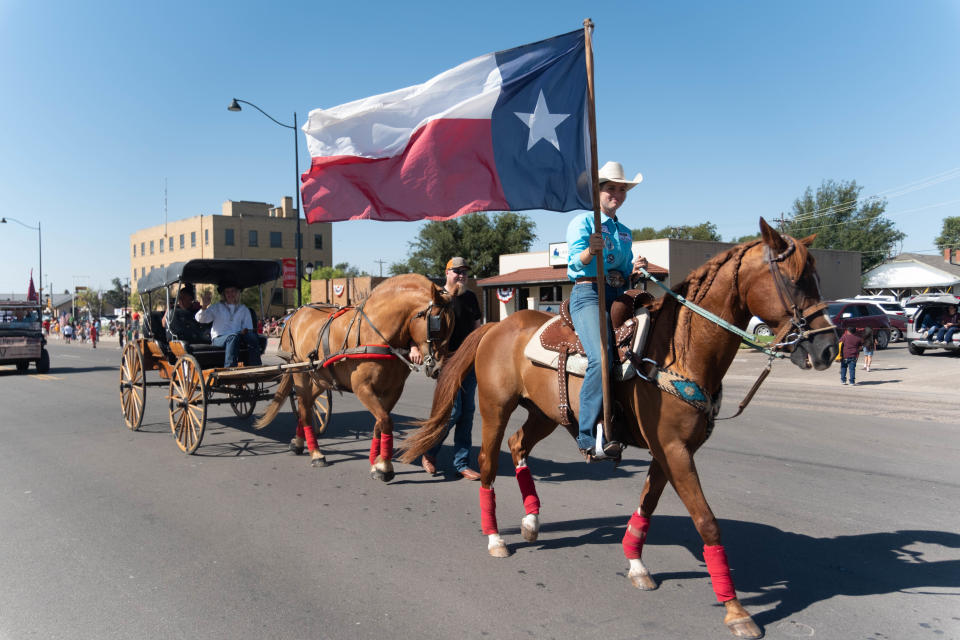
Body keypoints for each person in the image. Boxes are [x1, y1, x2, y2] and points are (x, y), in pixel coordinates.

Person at [566, 161, 647, 460]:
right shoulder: (583, 222)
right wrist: (590, 250)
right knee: (601, 358)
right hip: (588, 292)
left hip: (617, 291)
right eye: (610, 188)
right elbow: (574, 264)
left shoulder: (624, 232)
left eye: (621, 189)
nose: (617, 193)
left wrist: (634, 271)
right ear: (597, 191)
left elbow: (622, 269)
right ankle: (586, 434)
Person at [421, 257, 483, 480]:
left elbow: (477, 329)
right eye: (457, 271)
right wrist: (414, 348)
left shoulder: (471, 298)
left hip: (469, 363)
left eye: (465, 272)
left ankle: (462, 463)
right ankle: (429, 452)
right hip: (447, 362)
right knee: (452, 412)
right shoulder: (438, 298)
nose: (461, 275)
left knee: (467, 413)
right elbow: (422, 329)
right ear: (447, 273)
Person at [196, 282, 262, 368]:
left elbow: (248, 328)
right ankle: (229, 368)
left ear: (237, 293)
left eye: (233, 291)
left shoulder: (243, 309)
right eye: (227, 292)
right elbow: (201, 319)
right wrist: (204, 306)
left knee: (252, 336)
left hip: (238, 337)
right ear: (224, 294)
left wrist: (245, 331)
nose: (230, 294)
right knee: (233, 337)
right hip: (219, 339)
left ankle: (255, 366)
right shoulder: (217, 307)